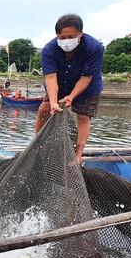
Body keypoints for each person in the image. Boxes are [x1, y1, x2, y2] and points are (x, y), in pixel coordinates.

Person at [34, 14, 104, 163]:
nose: (66, 41)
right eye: (62, 37)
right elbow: (51, 78)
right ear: (57, 36)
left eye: (70, 36)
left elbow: (86, 78)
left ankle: (78, 154)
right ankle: (36, 146)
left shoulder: (94, 48)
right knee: (44, 109)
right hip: (60, 80)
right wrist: (53, 102)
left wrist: (71, 97)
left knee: (84, 117)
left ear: (80, 34)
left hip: (88, 85)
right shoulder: (49, 49)